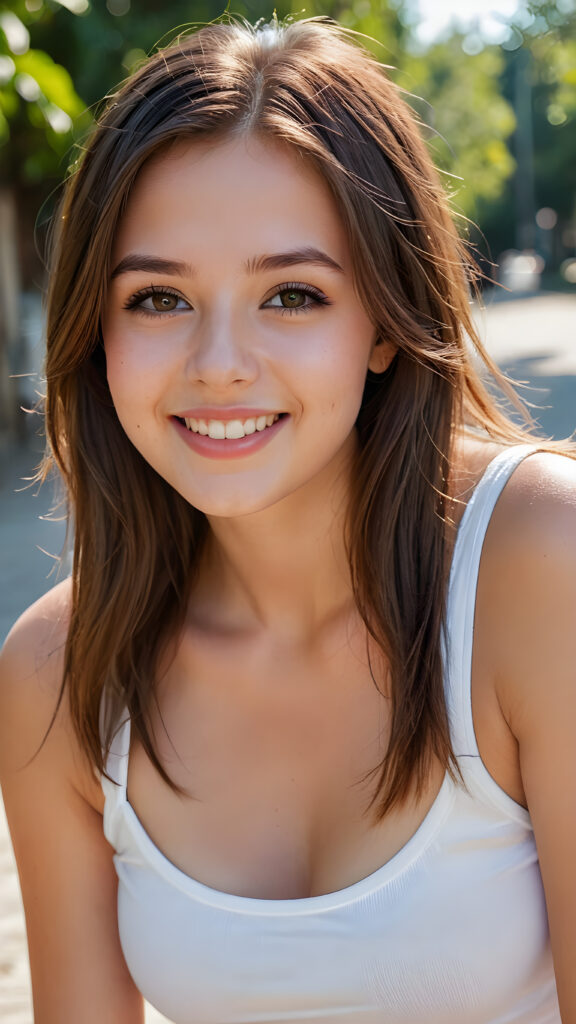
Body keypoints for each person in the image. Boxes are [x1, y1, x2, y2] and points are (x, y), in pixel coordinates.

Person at [0, 15, 575, 1024]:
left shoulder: (540, 566)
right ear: (97, 331)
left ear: (385, 325)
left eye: (293, 294)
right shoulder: (56, 671)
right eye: (159, 299)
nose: (220, 364)